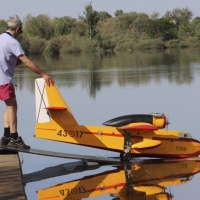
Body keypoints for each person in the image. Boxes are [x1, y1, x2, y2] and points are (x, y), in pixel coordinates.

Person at [0, 18, 54, 149]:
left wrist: (13, 63)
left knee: (8, 106)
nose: (20, 33)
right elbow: (28, 63)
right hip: (4, 80)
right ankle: (14, 138)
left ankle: (5, 137)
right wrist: (43, 74)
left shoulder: (1, 38)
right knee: (13, 107)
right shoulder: (13, 42)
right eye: (21, 31)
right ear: (17, 29)